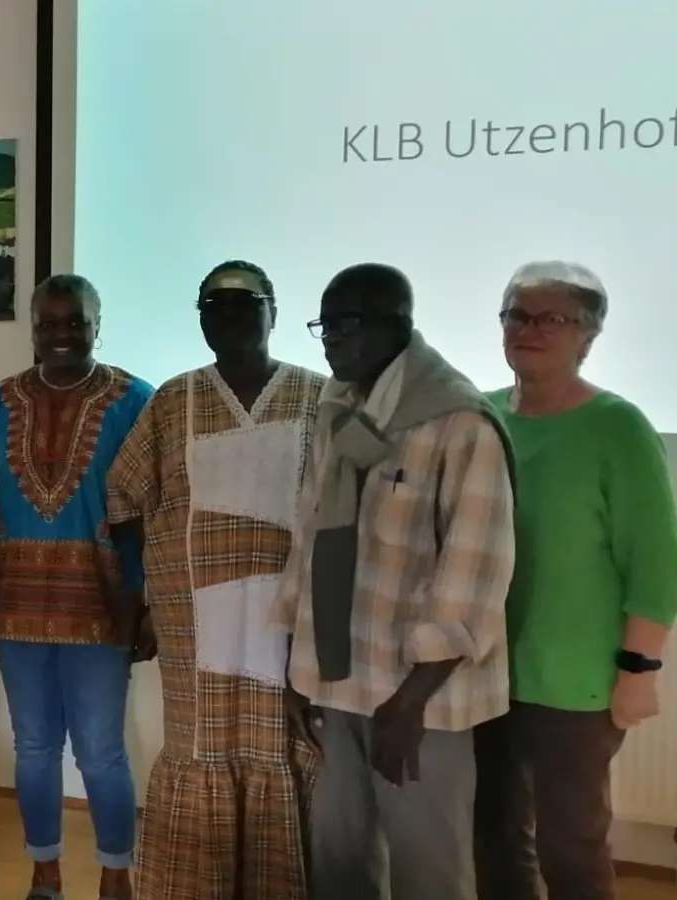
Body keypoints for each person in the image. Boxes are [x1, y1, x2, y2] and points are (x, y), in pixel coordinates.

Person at [272, 262, 516, 900]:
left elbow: (474, 572)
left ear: (399, 325)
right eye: (324, 325)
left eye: (345, 324)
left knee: (429, 870)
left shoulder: (460, 422)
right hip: (339, 678)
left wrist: (412, 702)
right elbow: (309, 537)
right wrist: (299, 672)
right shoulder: (335, 408)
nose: (329, 340)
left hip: (418, 701)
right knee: (340, 860)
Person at [106, 261, 327, 900]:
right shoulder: (172, 402)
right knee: (199, 748)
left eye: (244, 302)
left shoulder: (321, 398)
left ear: (274, 312)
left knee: (284, 747)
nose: (228, 315)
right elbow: (123, 499)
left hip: (291, 625)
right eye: (213, 304)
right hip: (193, 629)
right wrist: (137, 597)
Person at [473, 262, 677, 900]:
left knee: (571, 846)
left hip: (577, 685)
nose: (528, 328)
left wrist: (638, 671)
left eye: (551, 318)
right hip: (481, 671)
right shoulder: (479, 415)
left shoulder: (617, 427)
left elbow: (655, 564)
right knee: (493, 836)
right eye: (516, 314)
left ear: (587, 337)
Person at [0, 274, 153, 900]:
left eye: (75, 321)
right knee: (35, 746)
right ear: (32, 327)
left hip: (102, 606)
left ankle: (115, 875)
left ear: (98, 324)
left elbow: (156, 508)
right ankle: (44, 872)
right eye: (48, 323)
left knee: (101, 751)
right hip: (16, 605)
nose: (62, 334)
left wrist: (147, 599)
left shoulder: (134, 400)